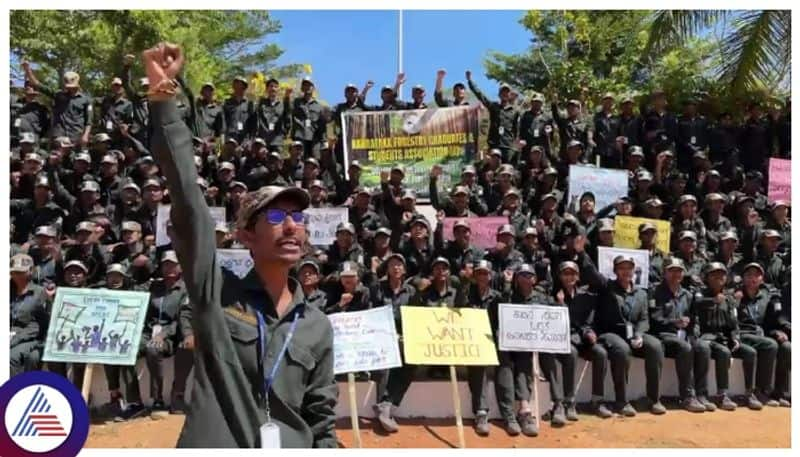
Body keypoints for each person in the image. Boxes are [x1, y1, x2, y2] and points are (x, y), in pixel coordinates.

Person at [144, 42, 336, 448]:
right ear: (245, 235)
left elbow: (321, 421)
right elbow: (189, 204)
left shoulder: (317, 326)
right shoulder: (216, 294)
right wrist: (164, 102)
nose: (290, 226)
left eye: (298, 218)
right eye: (273, 217)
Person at [649, 258, 711, 413]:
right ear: (664, 273)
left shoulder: (687, 295)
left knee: (702, 347)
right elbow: (653, 318)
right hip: (663, 334)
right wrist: (674, 322)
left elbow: (694, 320)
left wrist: (693, 332)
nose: (676, 274)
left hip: (683, 335)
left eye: (679, 270)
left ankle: (702, 394)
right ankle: (687, 397)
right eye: (672, 270)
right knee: (685, 347)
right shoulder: (655, 291)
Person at [22, 60, 93, 146]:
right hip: (58, 137)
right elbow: (37, 84)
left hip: (76, 137)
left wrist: (85, 135)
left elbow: (88, 121)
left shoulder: (86, 99)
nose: (69, 88)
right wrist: (28, 70)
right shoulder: (58, 95)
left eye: (72, 87)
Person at [10, 254, 49, 377]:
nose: (17, 275)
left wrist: (15, 339)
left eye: (21, 272)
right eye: (14, 272)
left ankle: (12, 392)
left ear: (31, 271)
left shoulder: (40, 293)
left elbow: (38, 325)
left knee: (9, 358)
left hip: (29, 338)